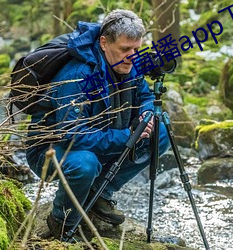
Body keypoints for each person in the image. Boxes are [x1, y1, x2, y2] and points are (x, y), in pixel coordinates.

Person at [26, 9, 170, 241]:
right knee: (85, 164)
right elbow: (72, 135)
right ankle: (61, 221)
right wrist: (127, 135)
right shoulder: (77, 76)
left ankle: (100, 193)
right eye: (125, 49)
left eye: (136, 49)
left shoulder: (127, 63)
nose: (132, 56)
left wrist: (146, 114)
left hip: (101, 136)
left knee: (160, 132)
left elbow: (144, 96)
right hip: (52, 150)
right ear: (104, 43)